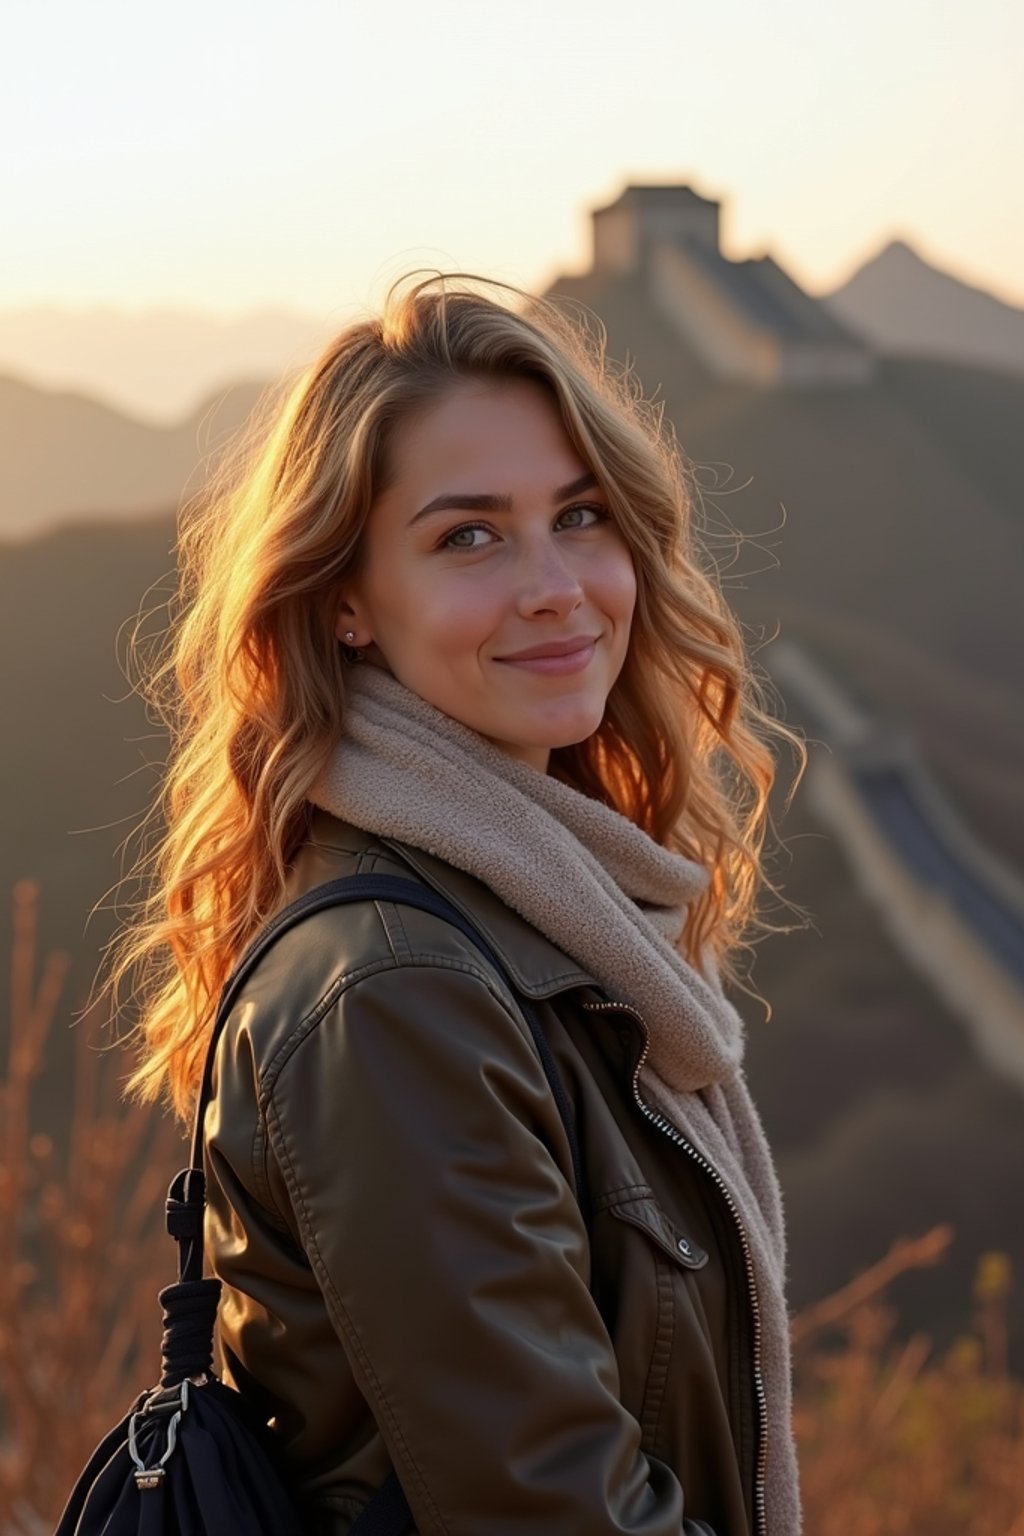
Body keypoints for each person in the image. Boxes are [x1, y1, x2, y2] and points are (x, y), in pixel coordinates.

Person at [111, 271, 808, 1533]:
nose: (556, 585)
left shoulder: (543, 920)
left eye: (580, 516)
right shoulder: (397, 990)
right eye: (468, 537)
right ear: (344, 603)